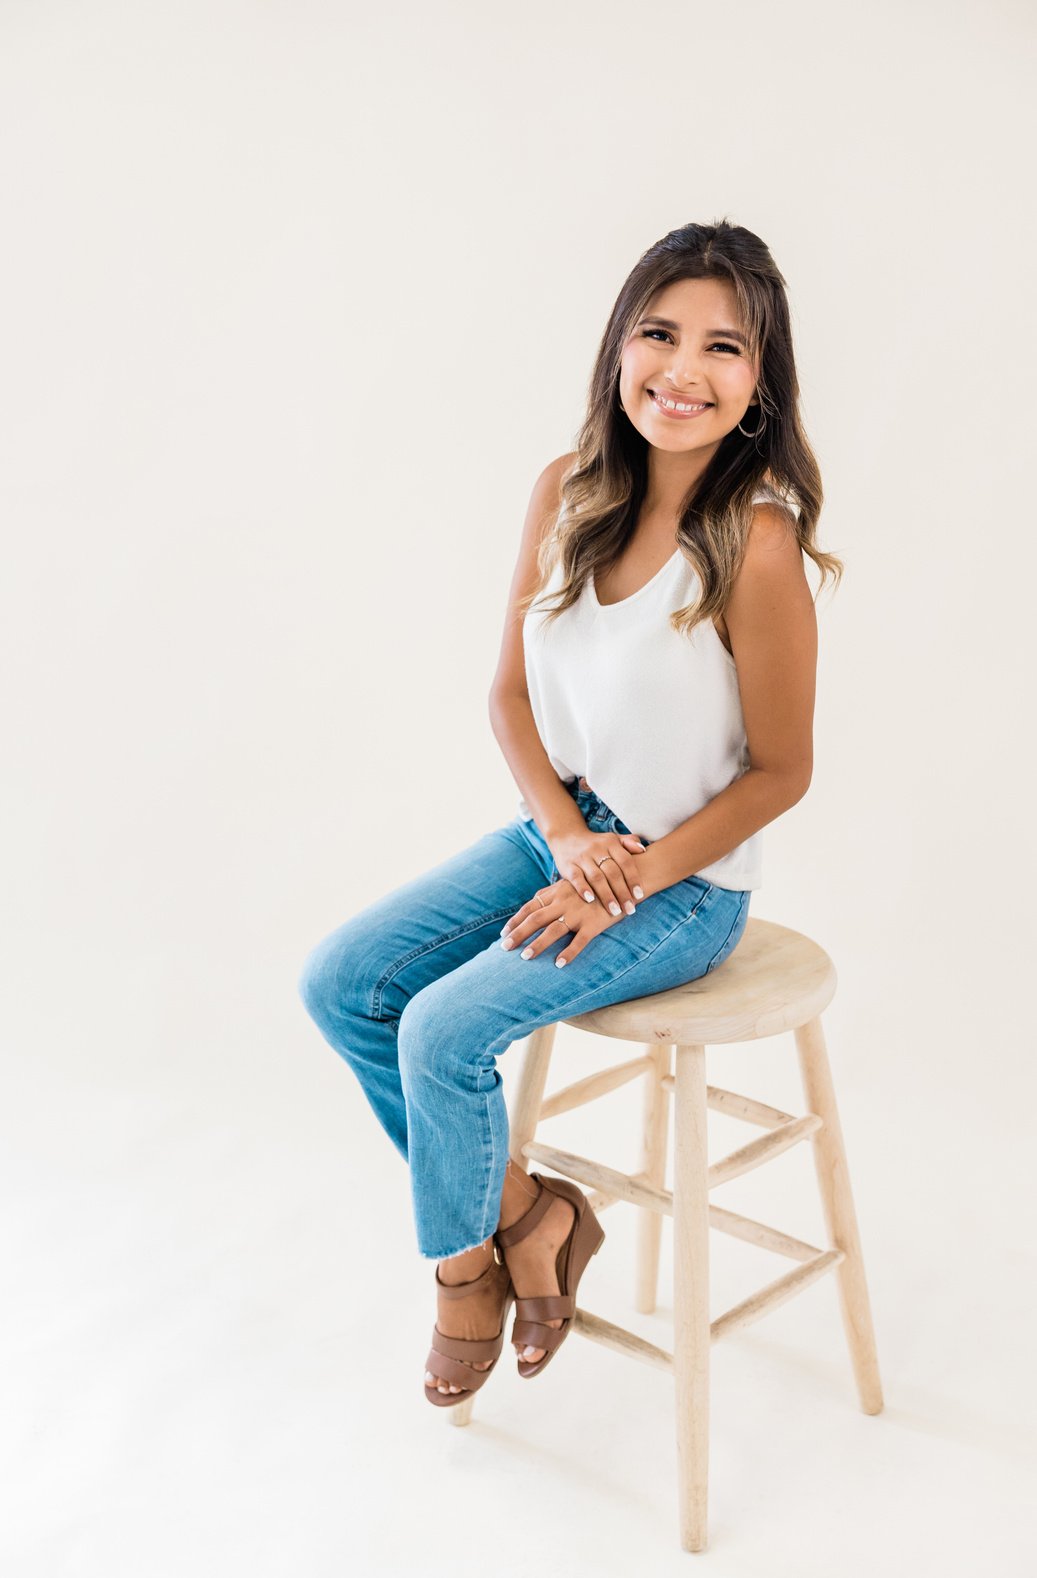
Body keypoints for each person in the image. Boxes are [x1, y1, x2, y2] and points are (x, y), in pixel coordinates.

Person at [297, 217, 841, 1405]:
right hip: (572, 827)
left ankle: (461, 1275)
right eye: (658, 333)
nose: (682, 372)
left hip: (687, 880)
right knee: (344, 981)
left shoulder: (754, 546)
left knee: (444, 1033)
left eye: (724, 349)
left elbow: (781, 772)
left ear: (760, 385)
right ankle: (531, 1217)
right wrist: (568, 837)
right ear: (617, 347)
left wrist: (630, 876)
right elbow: (507, 695)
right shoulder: (566, 488)